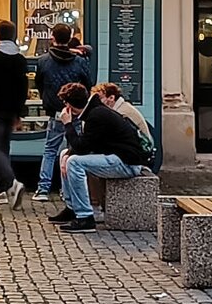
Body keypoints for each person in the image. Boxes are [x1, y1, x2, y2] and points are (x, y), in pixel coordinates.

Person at [50, 82, 148, 234]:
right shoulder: (94, 111)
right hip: (118, 157)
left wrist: (68, 124)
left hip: (126, 163)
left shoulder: (96, 116)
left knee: (75, 163)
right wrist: (66, 156)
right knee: (65, 154)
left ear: (69, 105)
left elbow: (82, 147)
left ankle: (85, 216)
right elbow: (85, 143)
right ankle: (72, 208)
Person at [31, 25, 94, 201]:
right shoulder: (79, 60)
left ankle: (43, 189)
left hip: (56, 112)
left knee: (50, 150)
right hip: (75, 110)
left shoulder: (44, 60)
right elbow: (89, 82)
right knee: (73, 150)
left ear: (52, 37)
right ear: (70, 37)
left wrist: (48, 100)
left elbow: (39, 83)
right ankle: (67, 188)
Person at [0, 20, 30, 207]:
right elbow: (23, 87)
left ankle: (12, 182)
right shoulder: (20, 59)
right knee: (5, 148)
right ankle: (1, 190)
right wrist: (18, 112)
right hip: (11, 111)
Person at [92, 82, 155, 163]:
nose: (98, 103)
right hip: (138, 151)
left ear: (111, 98)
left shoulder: (121, 112)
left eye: (100, 98)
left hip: (136, 154)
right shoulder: (123, 107)